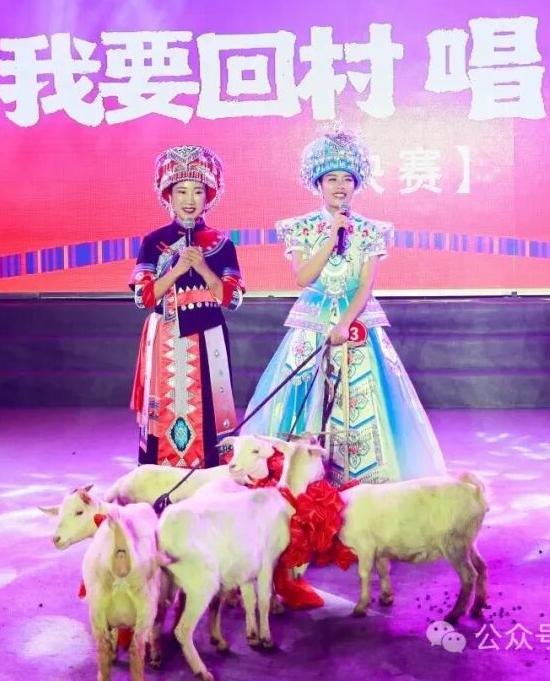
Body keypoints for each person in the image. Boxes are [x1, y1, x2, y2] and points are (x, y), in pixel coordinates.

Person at [244, 128, 446, 486]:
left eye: (347, 179)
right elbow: (303, 277)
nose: (340, 186)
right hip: (312, 325)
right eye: (332, 178)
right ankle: (302, 479)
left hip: (357, 327)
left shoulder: (370, 230)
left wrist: (345, 324)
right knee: (303, 397)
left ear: (357, 184)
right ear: (318, 184)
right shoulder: (302, 228)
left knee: (364, 400)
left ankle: (362, 480)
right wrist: (330, 236)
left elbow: (366, 285)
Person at [129, 145, 245, 468]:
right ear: (169, 195)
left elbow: (233, 300)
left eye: (197, 191)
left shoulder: (222, 244)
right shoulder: (153, 242)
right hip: (166, 337)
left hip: (208, 339)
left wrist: (204, 269)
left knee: (209, 409)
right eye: (181, 191)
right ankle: (159, 477)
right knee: (165, 408)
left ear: (208, 196)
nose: (189, 199)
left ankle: (210, 479)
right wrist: (177, 270)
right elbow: (143, 298)